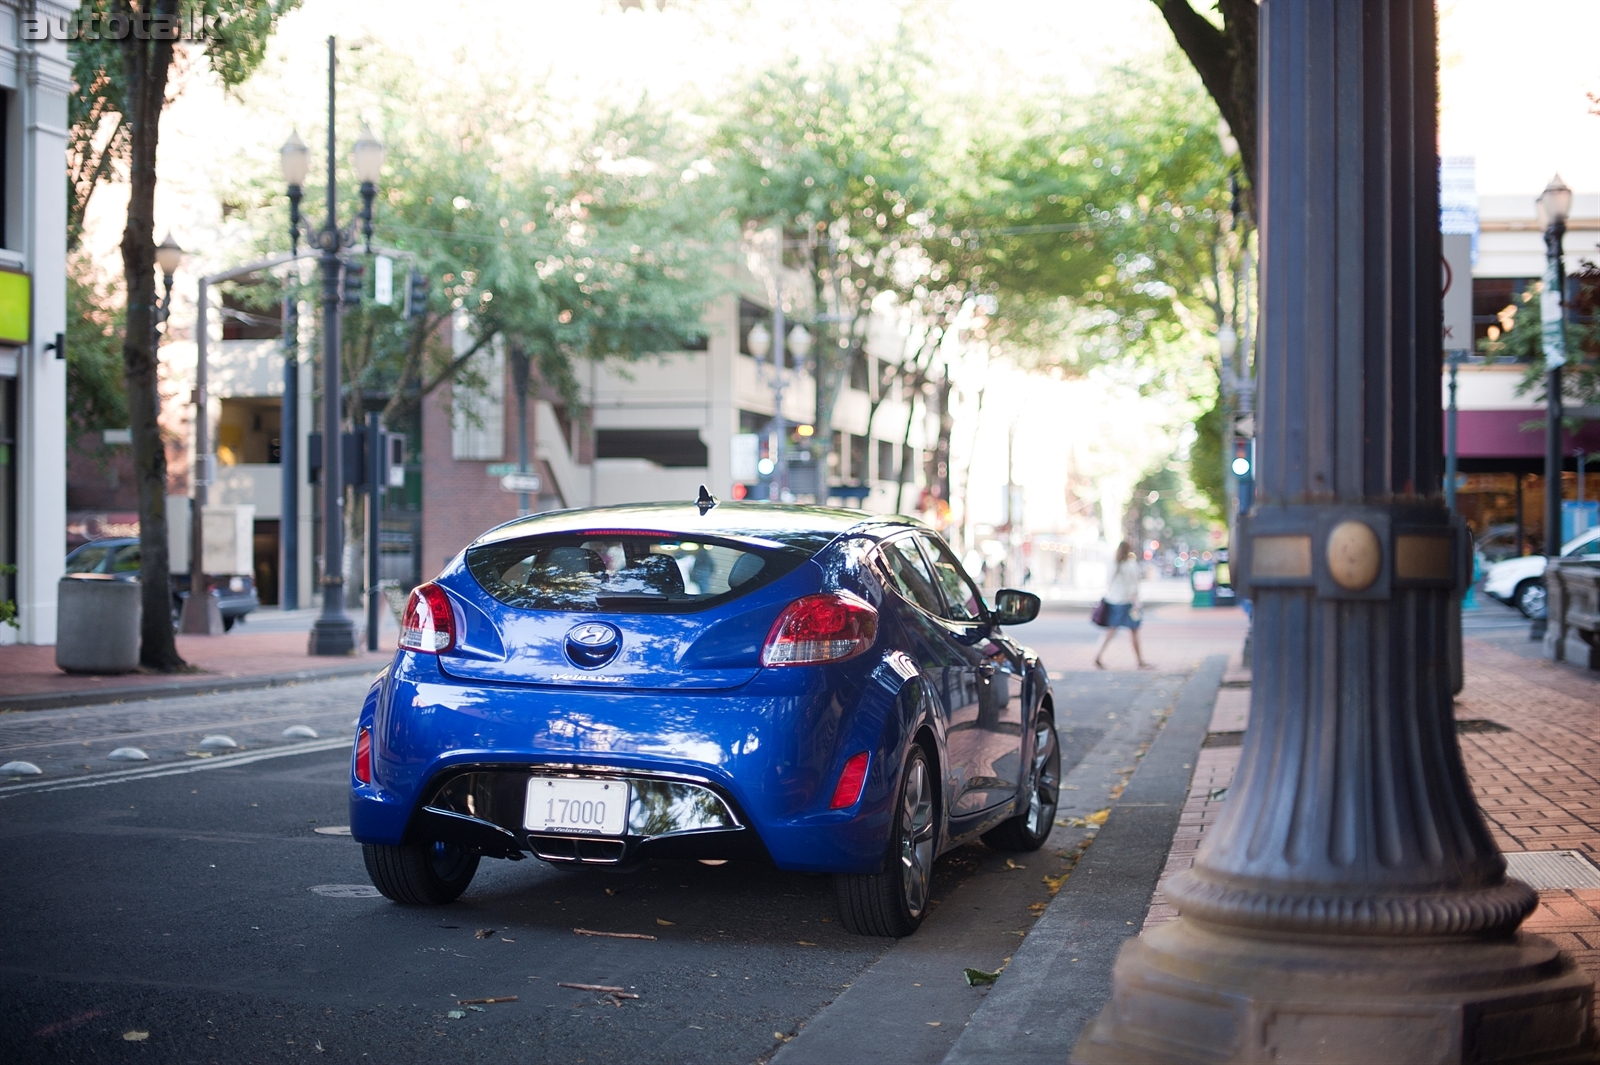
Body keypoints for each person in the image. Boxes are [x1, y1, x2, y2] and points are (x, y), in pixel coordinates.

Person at [1095, 540, 1151, 670]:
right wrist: (1136, 602)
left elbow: (1108, 582)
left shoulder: (1113, 564)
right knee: (1134, 631)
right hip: (1127, 602)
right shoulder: (1130, 565)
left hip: (1114, 600)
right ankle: (1140, 660)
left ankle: (1098, 655)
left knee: (1111, 630)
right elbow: (1133, 586)